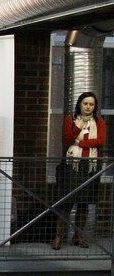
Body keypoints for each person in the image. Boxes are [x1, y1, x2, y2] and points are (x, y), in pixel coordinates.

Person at [52, 91, 106, 250]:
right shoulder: (70, 119)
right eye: (85, 103)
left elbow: (100, 141)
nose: (88, 107)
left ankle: (78, 236)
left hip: (91, 165)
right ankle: (58, 237)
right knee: (67, 202)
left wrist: (80, 143)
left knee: (84, 203)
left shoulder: (99, 121)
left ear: (95, 106)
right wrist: (79, 127)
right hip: (72, 165)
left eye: (91, 104)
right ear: (79, 104)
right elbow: (66, 140)